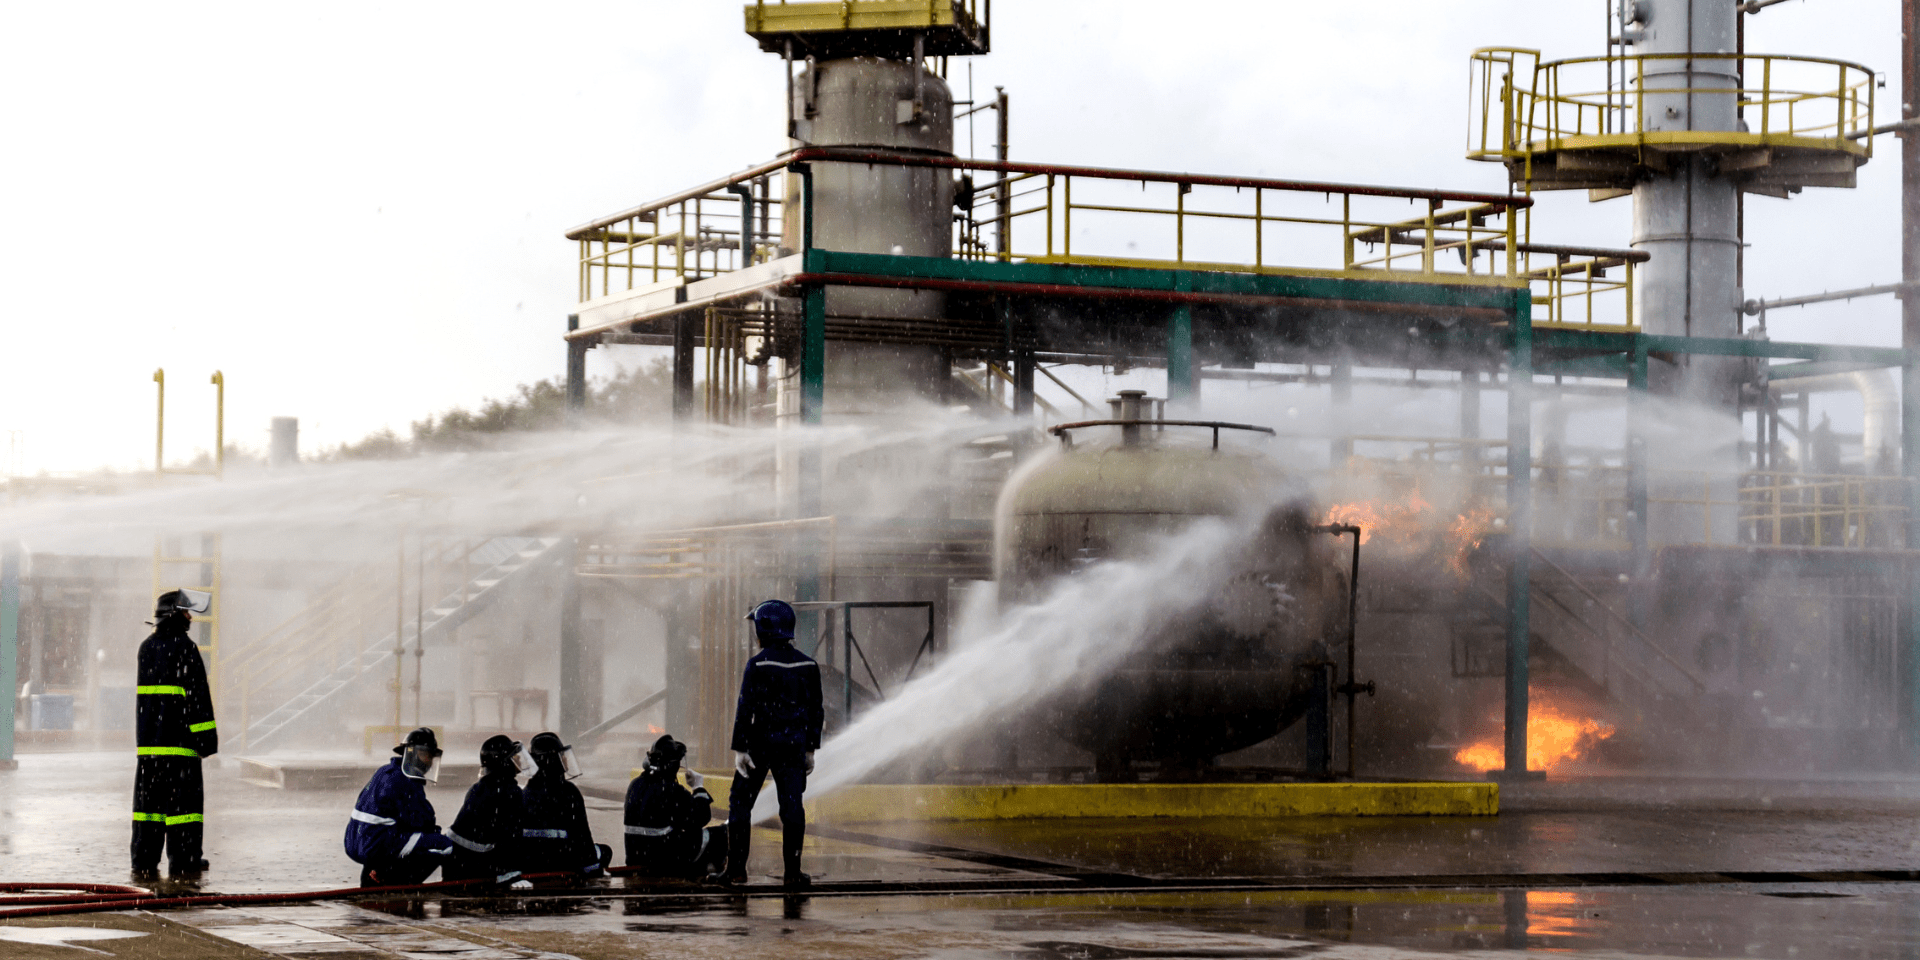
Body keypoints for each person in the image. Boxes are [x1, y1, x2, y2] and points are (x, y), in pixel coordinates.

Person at [723, 599, 823, 888]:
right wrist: (810, 749)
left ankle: (736, 871)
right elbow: (816, 711)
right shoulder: (809, 665)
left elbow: (746, 708)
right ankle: (793, 873)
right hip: (793, 746)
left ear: (765, 629)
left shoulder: (757, 665)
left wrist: (740, 749)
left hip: (760, 745)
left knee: (740, 805)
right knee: (792, 809)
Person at [132, 589, 219, 880]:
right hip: (181, 750)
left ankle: (144, 859)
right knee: (185, 813)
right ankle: (185, 859)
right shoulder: (185, 648)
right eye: (186, 612)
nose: (190, 617)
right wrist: (206, 740)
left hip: (150, 752)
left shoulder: (146, 648)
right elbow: (197, 698)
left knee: (148, 811)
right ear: (174, 613)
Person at [344, 727, 456, 886]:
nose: (428, 762)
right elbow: (422, 820)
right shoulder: (405, 781)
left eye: (431, 757)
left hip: (361, 844)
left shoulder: (386, 771)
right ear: (410, 753)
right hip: (376, 844)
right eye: (424, 755)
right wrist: (435, 833)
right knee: (444, 846)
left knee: (405, 836)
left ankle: (374, 872)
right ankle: (398, 881)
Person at [623, 734, 726, 879]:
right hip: (666, 862)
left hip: (636, 859)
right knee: (721, 834)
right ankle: (710, 872)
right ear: (673, 764)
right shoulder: (670, 789)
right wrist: (698, 787)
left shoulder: (635, 784)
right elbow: (700, 817)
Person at [441, 735, 535, 889]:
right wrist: (510, 875)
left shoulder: (480, 787)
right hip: (474, 867)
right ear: (504, 762)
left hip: (455, 864)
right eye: (514, 757)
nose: (519, 761)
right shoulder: (510, 792)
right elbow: (509, 836)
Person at [520, 732, 612, 878]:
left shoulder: (525, 792)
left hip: (531, 864)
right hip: (564, 862)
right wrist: (593, 869)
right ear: (553, 760)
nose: (565, 760)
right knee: (605, 851)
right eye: (562, 756)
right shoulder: (569, 792)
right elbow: (583, 840)